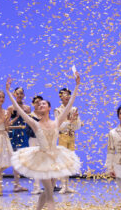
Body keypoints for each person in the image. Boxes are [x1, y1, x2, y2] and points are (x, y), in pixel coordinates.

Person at [6, 73, 81, 210]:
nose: (41, 105)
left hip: (56, 158)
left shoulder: (57, 122)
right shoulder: (35, 124)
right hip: (42, 159)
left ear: (49, 108)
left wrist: (76, 86)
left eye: (44, 103)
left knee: (49, 190)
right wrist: (8, 92)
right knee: (50, 195)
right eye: (39, 104)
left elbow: (70, 104)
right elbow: (20, 111)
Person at [55, 87, 83, 194]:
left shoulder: (74, 109)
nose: (66, 97)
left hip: (71, 137)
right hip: (62, 137)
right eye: (64, 94)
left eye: (68, 94)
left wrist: (75, 121)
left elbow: (78, 126)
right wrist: (69, 122)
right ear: (60, 97)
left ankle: (67, 186)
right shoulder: (58, 110)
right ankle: (63, 185)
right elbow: (59, 126)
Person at [6, 86, 31, 192]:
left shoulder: (27, 108)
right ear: (14, 95)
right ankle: (16, 184)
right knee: (15, 159)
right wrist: (16, 116)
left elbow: (30, 122)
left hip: (24, 134)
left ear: (24, 95)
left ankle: (20, 183)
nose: (20, 95)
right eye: (18, 93)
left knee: (23, 159)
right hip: (13, 133)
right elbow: (7, 123)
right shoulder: (10, 108)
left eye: (21, 93)